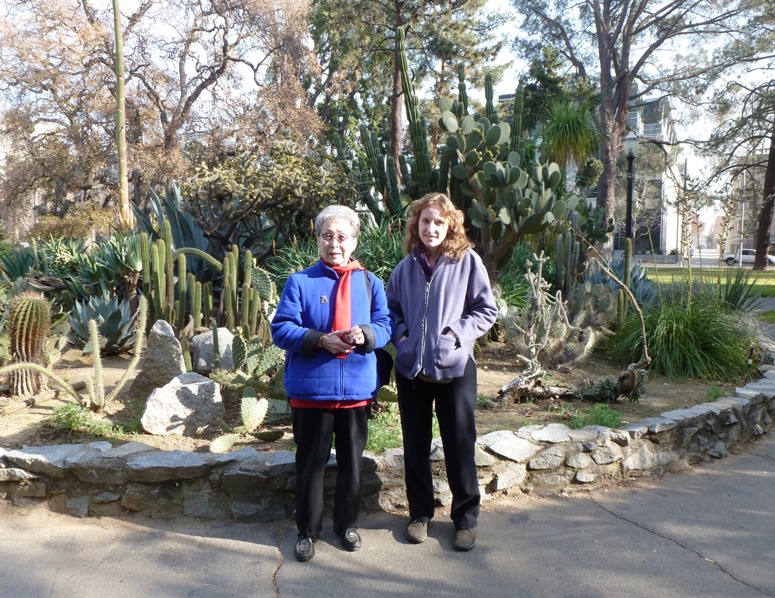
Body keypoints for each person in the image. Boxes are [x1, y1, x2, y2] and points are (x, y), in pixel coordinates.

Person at [271, 205, 391, 562]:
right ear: (318, 239)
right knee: (310, 463)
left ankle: (346, 525)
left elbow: (385, 325)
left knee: (353, 463)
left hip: (355, 391)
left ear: (354, 241)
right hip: (312, 391)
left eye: (342, 237)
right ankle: (307, 531)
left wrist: (366, 333)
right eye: (327, 236)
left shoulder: (371, 283)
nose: (334, 244)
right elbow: (281, 328)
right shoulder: (300, 282)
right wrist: (320, 339)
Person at [386, 192, 498, 552]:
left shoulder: (467, 262)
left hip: (455, 369)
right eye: (424, 221)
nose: (430, 228)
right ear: (415, 226)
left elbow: (485, 310)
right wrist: (402, 337)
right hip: (411, 371)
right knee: (415, 446)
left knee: (459, 445)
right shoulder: (405, 268)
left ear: (450, 224)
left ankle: (465, 519)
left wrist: (456, 335)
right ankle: (419, 514)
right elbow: (391, 311)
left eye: (438, 221)